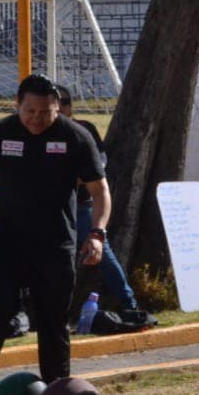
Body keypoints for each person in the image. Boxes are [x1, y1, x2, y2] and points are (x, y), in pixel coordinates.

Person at [0, 73, 109, 395]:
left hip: (56, 246)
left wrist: (97, 233)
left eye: (46, 112)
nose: (37, 119)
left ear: (59, 109)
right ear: (17, 105)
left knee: (52, 323)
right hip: (8, 243)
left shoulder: (75, 137)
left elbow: (100, 192)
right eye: (30, 111)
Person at [55, 84, 139, 315]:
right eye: (55, 101)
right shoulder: (36, 132)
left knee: (102, 253)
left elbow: (99, 165)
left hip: (81, 206)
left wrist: (77, 178)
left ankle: (128, 303)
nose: (59, 107)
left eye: (64, 102)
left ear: (71, 107)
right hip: (48, 209)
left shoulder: (84, 130)